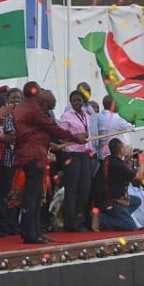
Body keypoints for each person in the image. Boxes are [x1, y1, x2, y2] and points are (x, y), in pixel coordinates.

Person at [13, 82, 86, 244]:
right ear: (34, 92)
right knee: (33, 196)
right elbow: (53, 128)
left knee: (33, 196)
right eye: (39, 90)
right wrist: (76, 138)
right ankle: (31, 233)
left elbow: (34, 133)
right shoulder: (33, 108)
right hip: (33, 157)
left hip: (29, 155)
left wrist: (48, 144)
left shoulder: (22, 108)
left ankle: (33, 231)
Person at [58, 90, 96, 232]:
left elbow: (89, 134)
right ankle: (71, 222)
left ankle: (81, 219)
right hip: (72, 154)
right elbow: (61, 137)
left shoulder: (86, 114)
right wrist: (75, 136)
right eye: (74, 100)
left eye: (79, 100)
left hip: (85, 154)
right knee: (72, 189)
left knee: (85, 188)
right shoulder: (66, 116)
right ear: (70, 101)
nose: (77, 103)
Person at [97, 138, 144, 232]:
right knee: (131, 226)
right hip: (114, 201)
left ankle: (121, 216)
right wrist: (142, 160)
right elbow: (139, 177)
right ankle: (101, 219)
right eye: (124, 147)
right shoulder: (118, 165)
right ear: (121, 150)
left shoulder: (108, 159)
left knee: (136, 201)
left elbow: (121, 166)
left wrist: (129, 158)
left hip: (105, 198)